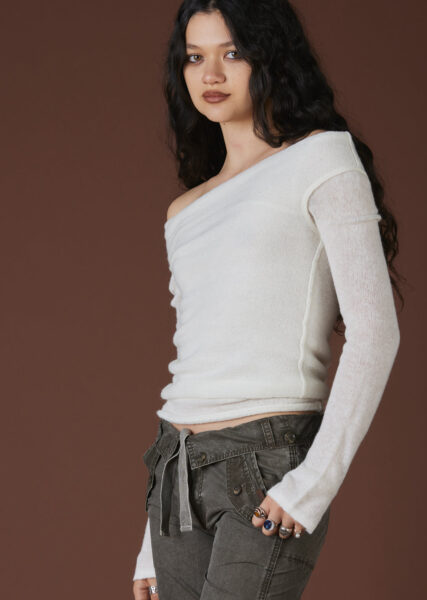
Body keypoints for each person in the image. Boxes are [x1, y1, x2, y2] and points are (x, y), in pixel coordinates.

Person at [132, 1, 403, 598]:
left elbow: (375, 330)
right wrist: (152, 537)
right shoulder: (184, 211)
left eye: (232, 53)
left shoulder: (322, 158)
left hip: (269, 462)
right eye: (194, 57)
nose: (210, 74)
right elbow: (197, 355)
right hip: (176, 469)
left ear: (270, 58)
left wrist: (313, 483)